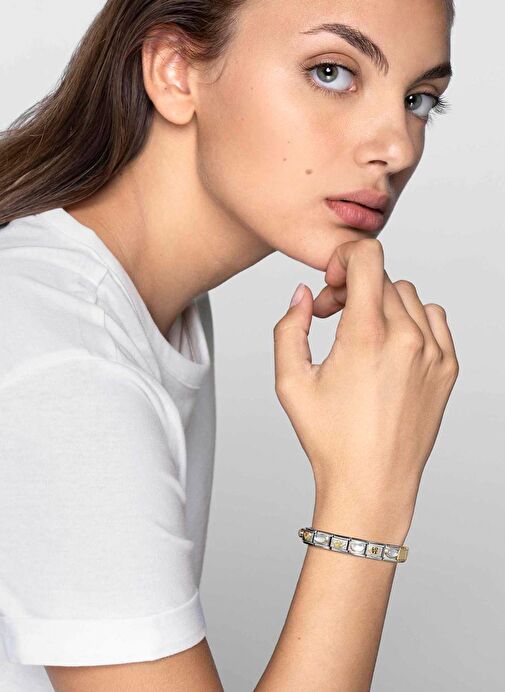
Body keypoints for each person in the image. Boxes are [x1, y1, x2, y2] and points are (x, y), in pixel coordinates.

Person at [0, 0, 459, 689]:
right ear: (174, 70)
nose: (396, 147)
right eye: (331, 72)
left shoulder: (154, 307)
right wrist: (369, 494)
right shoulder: (65, 361)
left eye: (419, 99)